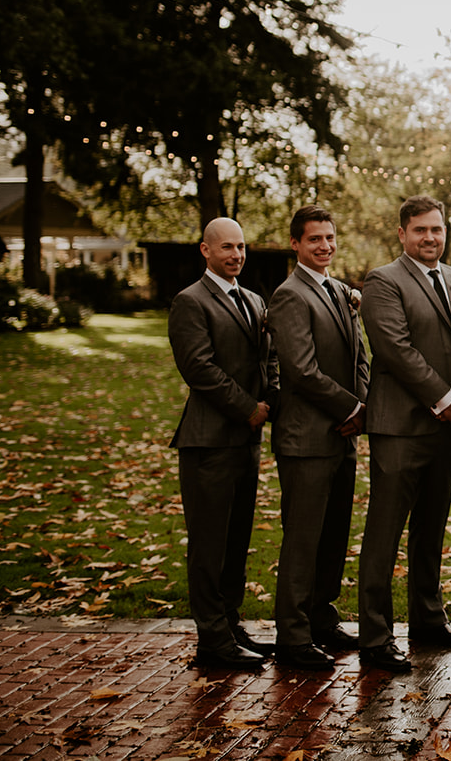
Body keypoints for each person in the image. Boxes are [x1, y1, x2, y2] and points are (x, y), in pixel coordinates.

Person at [355, 195, 451, 674]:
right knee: (384, 533)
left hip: (449, 430)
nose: (431, 238)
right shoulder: (384, 281)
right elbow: (395, 348)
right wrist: (445, 398)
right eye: (421, 230)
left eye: (437, 229)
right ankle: (375, 636)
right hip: (401, 427)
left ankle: (427, 621)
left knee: (431, 529)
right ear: (402, 234)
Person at [167, 217, 278, 670]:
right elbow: (199, 368)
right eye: (227, 247)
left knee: (236, 539)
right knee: (209, 542)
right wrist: (247, 407)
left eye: (242, 247)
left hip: (246, 439)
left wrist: (269, 399)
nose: (236, 255)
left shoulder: (253, 299)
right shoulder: (190, 302)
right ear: (205, 251)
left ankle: (231, 624)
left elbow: (268, 356)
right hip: (209, 440)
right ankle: (211, 637)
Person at [267, 205, 370, 670]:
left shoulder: (340, 292)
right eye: (314, 240)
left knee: (333, 536)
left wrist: (362, 405)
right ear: (296, 244)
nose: (325, 246)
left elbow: (359, 357)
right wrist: (349, 407)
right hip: (306, 439)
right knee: (303, 539)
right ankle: (291, 636)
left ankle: (320, 617)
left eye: (329, 238)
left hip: (342, 435)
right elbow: (301, 370)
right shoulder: (290, 295)